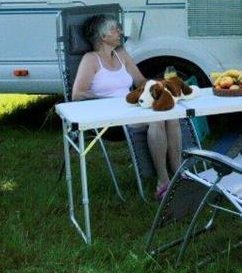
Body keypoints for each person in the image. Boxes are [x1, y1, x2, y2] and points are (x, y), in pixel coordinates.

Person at [70, 15, 180, 199]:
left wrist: (159, 86)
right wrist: (107, 100)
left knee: (173, 116)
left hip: (133, 109)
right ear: (103, 36)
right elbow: (77, 94)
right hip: (111, 120)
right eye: (115, 29)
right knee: (157, 120)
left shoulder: (121, 55)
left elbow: (140, 81)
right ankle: (164, 181)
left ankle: (178, 173)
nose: (120, 32)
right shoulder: (91, 60)